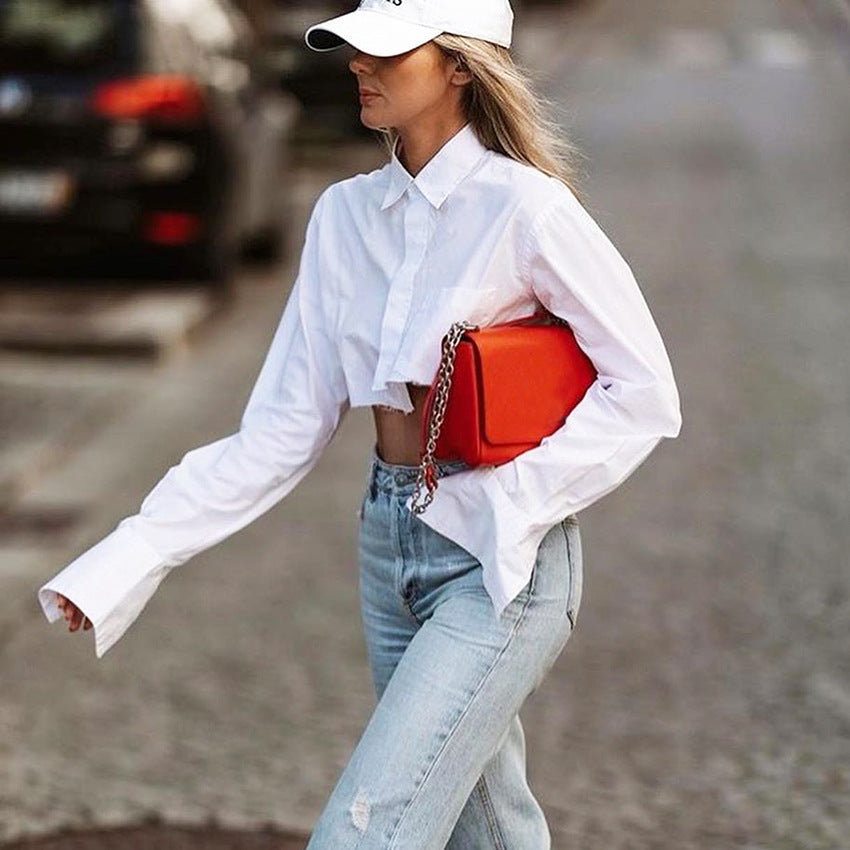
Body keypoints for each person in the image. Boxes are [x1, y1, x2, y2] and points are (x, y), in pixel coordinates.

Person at [38, 0, 682, 846]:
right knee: (487, 832)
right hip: (390, 550)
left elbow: (644, 391)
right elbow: (279, 431)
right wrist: (132, 552)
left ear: (460, 63)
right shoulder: (343, 217)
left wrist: (507, 504)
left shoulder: (527, 210)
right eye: (352, 46)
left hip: (500, 567)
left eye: (385, 49)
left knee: (368, 829)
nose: (356, 63)